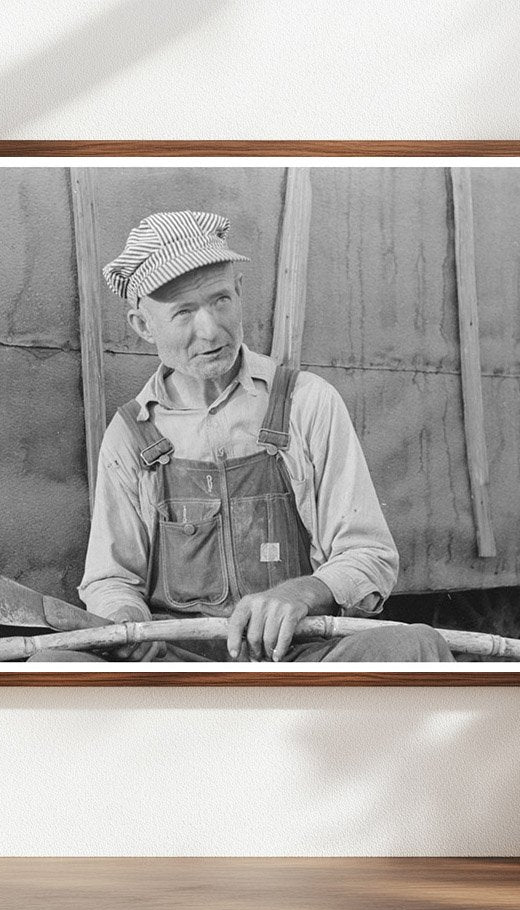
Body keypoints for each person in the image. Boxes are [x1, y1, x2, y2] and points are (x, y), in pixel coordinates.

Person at [31, 211, 453, 664]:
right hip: (179, 668)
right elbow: (110, 579)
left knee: (415, 646)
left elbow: (368, 555)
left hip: (300, 658)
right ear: (142, 325)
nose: (210, 330)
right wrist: (127, 620)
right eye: (183, 312)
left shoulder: (306, 402)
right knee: (51, 666)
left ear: (240, 293)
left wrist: (303, 592)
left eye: (220, 300)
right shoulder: (131, 434)